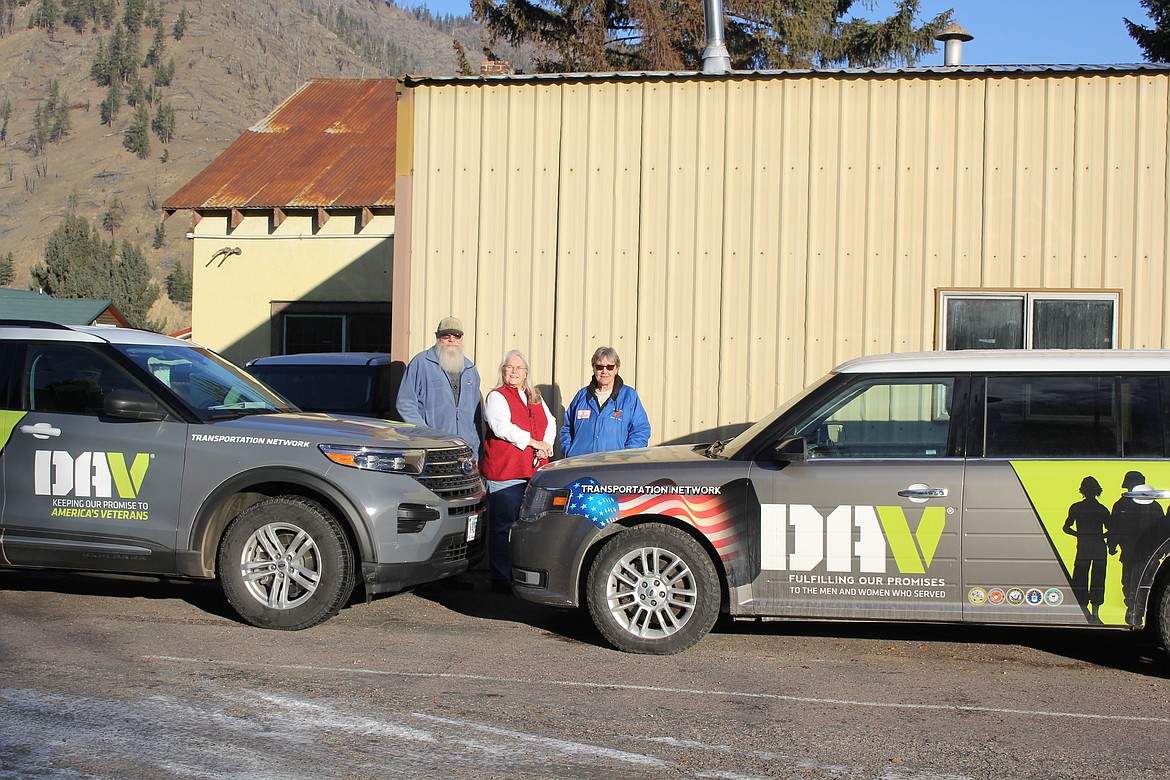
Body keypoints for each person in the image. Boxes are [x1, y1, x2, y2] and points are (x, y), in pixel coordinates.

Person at [480, 350, 555, 593]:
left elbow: (551, 422)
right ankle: (501, 578)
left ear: (526, 373)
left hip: (533, 473)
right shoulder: (496, 397)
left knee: (530, 527)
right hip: (506, 473)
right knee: (503, 527)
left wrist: (547, 446)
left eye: (519, 368)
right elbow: (501, 427)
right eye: (509, 367)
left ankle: (525, 573)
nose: (514, 371)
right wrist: (534, 443)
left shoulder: (534, 396)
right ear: (503, 371)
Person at [395, 316, 482, 454]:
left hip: (465, 448)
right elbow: (405, 404)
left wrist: (476, 451)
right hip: (432, 446)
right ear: (437, 337)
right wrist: (425, 434)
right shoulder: (420, 363)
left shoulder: (470, 369)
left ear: (462, 338)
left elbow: (476, 416)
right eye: (446, 335)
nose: (451, 340)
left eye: (456, 335)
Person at [559, 346, 651, 458]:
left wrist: (626, 457)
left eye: (610, 367)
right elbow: (567, 428)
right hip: (580, 465)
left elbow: (640, 430)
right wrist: (569, 451)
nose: (604, 371)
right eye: (599, 367)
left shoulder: (629, 396)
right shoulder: (582, 396)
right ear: (593, 368)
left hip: (613, 468)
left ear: (616, 369)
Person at [1109, 470, 1165, 624]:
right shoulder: (1155, 506)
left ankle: (1134, 610)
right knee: (1134, 580)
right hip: (1141, 552)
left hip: (1137, 552)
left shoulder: (1121, 504)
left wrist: (1112, 545)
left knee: (1131, 581)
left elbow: (1114, 527)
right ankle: (1134, 611)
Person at [1062, 476, 1109, 623]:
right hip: (1098, 547)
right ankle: (1095, 614)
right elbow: (1111, 529)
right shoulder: (1102, 509)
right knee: (1098, 580)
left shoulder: (1077, 507)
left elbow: (1066, 527)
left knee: (1081, 579)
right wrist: (1100, 535)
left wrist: (1079, 534)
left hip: (1084, 547)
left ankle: (1084, 611)